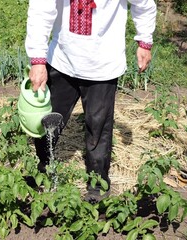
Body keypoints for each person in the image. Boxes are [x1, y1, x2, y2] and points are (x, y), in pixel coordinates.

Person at [25, 0, 157, 202]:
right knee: (47, 121)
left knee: (98, 127)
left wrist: (144, 41)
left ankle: (97, 184)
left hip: (103, 64)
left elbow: (144, 3)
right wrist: (37, 60)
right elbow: (41, 9)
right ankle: (43, 170)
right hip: (62, 58)